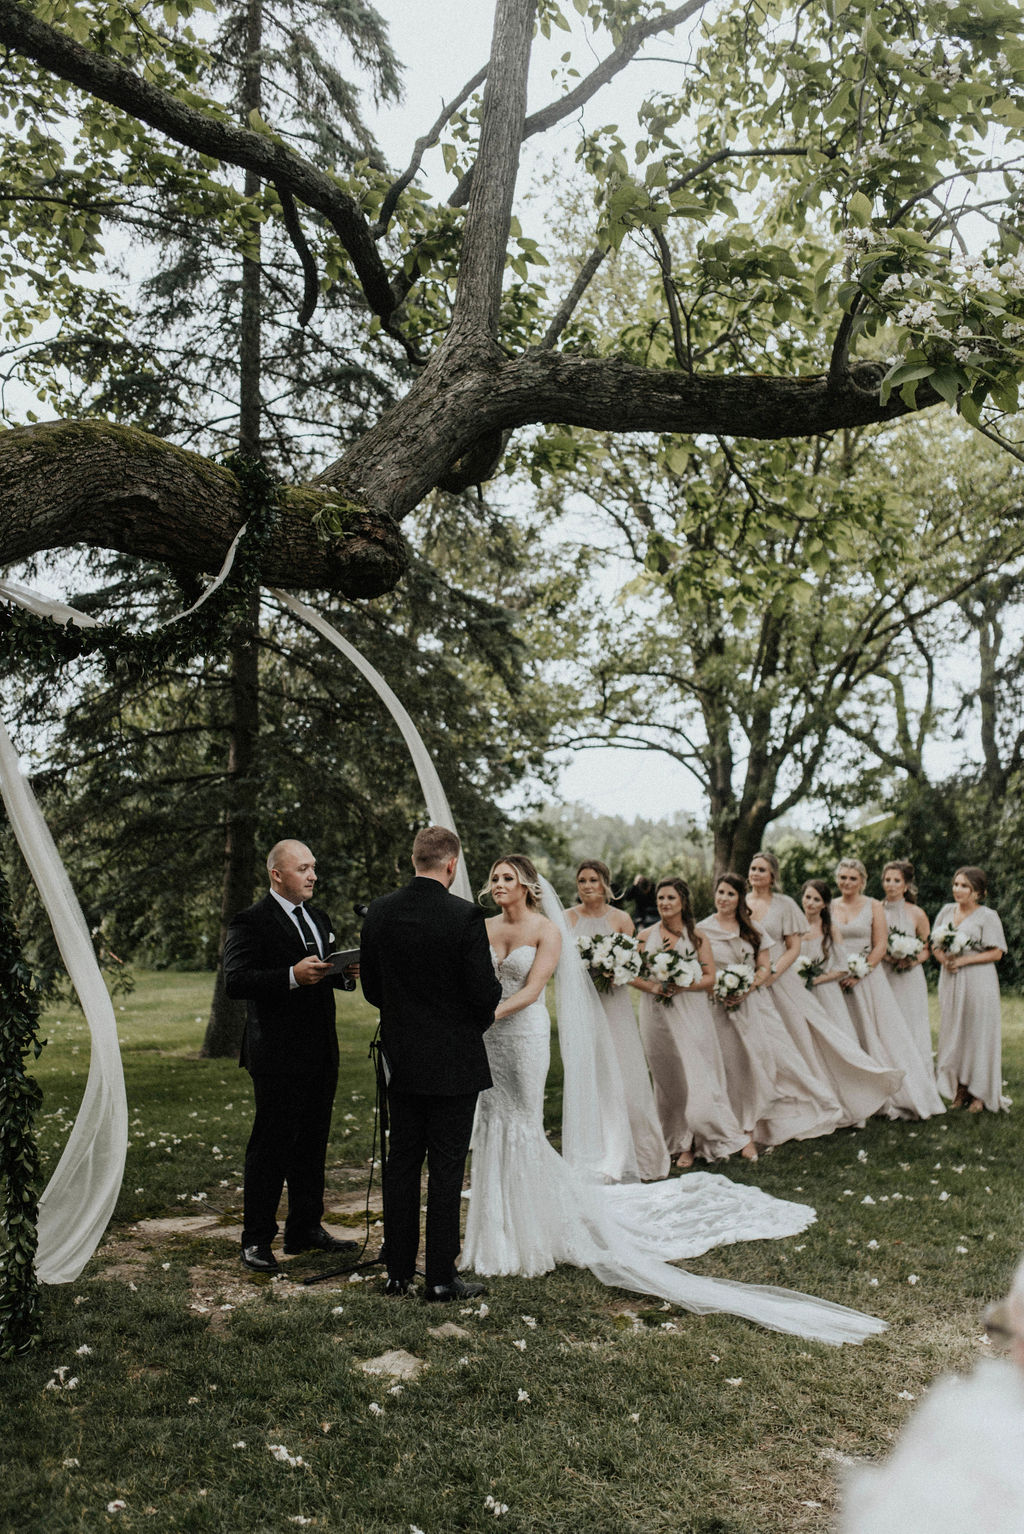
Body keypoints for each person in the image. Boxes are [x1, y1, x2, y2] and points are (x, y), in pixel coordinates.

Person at [461, 854, 886, 1346]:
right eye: (494, 877)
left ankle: (531, 1235)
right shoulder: (483, 926)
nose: (497, 884)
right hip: (488, 1037)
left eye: (506, 877)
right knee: (491, 1122)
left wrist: (483, 1015)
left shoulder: (548, 929)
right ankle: (494, 1233)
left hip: (519, 1034)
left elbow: (534, 990)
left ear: (528, 885)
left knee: (523, 1126)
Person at [359, 825, 501, 1301]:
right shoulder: (464, 916)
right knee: (445, 1168)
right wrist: (465, 1027)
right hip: (454, 1061)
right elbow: (485, 994)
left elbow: (373, 990)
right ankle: (440, 1276)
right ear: (451, 864)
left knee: (402, 1163)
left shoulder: (379, 912)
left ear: (414, 859)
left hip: (401, 1059)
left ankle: (398, 1271)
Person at [224, 839, 360, 1273]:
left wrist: (344, 974)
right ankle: (256, 1240)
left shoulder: (318, 918)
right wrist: (291, 976)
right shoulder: (250, 921)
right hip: (277, 1053)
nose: (313, 875)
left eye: (313, 867)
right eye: (303, 868)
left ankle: (305, 1229)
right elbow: (237, 980)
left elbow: (322, 974)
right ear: (276, 875)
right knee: (272, 1145)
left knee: (313, 1142)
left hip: (321, 1049)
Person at [747, 853, 901, 1128]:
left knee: (804, 1038)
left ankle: (829, 1095)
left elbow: (793, 947)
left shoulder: (784, 905)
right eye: (753, 868)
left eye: (762, 869)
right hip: (749, 980)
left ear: (773, 876)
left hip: (778, 978)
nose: (756, 873)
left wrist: (772, 975)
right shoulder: (742, 903)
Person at [697, 873, 843, 1149]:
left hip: (752, 1003)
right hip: (714, 1005)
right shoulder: (702, 930)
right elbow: (700, 968)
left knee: (755, 1062)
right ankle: (722, 1126)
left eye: (730, 893)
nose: (723, 898)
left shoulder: (752, 929)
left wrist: (747, 987)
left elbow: (764, 966)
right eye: (720, 892)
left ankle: (750, 1129)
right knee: (722, 1063)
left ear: (739, 898)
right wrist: (719, 990)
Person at [634, 876, 754, 1167]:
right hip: (656, 1013)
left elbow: (710, 979)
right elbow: (631, 974)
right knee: (667, 1076)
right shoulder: (644, 936)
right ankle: (675, 1137)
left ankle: (694, 1141)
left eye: (670, 898)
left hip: (691, 1011)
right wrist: (655, 987)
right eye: (661, 898)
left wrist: (682, 983)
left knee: (694, 1073)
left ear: (683, 902)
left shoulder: (697, 937)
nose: (664, 903)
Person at [567, 859, 669, 1181]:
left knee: (626, 1075)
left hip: (616, 1007)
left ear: (605, 884)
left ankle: (640, 1156)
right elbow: (560, 966)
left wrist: (618, 971)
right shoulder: (567, 919)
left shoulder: (622, 919)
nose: (586, 886)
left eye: (593, 880)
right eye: (582, 880)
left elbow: (635, 967)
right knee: (593, 1075)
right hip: (584, 1008)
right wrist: (586, 970)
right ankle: (599, 1155)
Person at [831, 857, 944, 1120]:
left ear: (862, 881)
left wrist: (860, 973)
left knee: (877, 1033)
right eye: (843, 877)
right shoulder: (830, 905)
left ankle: (889, 1092)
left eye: (852, 878)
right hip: (836, 978)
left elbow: (880, 945)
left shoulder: (873, 906)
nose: (847, 882)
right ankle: (852, 1094)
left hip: (867, 976)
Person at [933, 865, 1007, 1113]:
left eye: (964, 886)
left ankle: (979, 1094)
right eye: (956, 884)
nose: (958, 889)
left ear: (978, 892)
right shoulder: (946, 912)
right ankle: (960, 1089)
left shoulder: (988, 916)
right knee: (956, 1034)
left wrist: (964, 960)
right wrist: (945, 960)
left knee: (977, 1034)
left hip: (978, 980)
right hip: (951, 979)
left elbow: (997, 952)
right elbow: (935, 944)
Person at [881, 860, 933, 1072]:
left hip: (910, 976)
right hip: (883, 972)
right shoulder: (875, 910)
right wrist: (888, 957)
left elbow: (927, 947)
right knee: (886, 1024)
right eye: (887, 880)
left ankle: (917, 1074)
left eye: (896, 881)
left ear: (906, 885)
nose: (891, 885)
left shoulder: (917, 913)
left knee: (911, 1022)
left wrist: (910, 960)